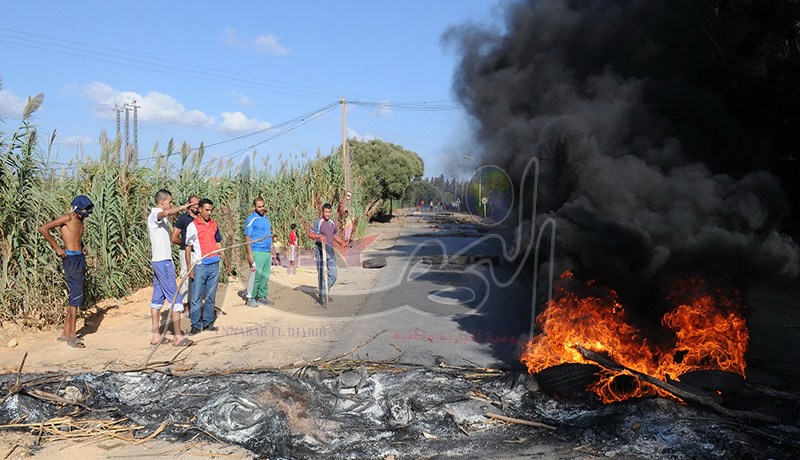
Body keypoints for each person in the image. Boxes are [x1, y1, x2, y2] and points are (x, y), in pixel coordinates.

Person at [38, 195, 94, 348]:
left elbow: (76, 238)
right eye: (85, 208)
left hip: (79, 258)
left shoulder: (81, 221)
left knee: (75, 295)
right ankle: (72, 336)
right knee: (76, 295)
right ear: (78, 207)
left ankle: (65, 333)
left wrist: (82, 247)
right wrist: (57, 248)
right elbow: (43, 228)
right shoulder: (68, 218)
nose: (88, 211)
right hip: (70, 259)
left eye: (89, 208)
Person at [147, 189, 194, 347]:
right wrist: (183, 207)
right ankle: (178, 337)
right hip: (162, 262)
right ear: (162, 202)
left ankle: (155, 336)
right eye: (170, 202)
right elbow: (164, 214)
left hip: (159, 261)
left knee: (157, 299)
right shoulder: (155, 214)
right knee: (176, 298)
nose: (171, 204)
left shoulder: (160, 218)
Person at [185, 198, 230, 332]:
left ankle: (208, 323)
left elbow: (218, 243)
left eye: (211, 210)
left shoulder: (214, 224)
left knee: (210, 296)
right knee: (196, 297)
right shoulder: (192, 226)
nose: (209, 213)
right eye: (207, 210)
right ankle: (195, 325)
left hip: (214, 264)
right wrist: (189, 267)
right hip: (200, 266)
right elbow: (188, 247)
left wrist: (225, 259)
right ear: (199, 209)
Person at [307, 203, 346, 305]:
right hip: (320, 252)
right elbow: (310, 234)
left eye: (329, 212)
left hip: (330, 252)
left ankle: (324, 292)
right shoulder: (318, 223)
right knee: (322, 276)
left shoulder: (332, 223)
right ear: (322, 212)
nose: (327, 214)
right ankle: (323, 298)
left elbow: (334, 235)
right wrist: (319, 236)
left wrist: (341, 242)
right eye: (326, 212)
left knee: (333, 275)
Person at [170, 194, 199, 313]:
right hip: (185, 251)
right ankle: (186, 306)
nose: (196, 206)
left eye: (198, 203)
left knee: (198, 276)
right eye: (194, 204)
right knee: (186, 276)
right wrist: (185, 244)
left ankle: (196, 303)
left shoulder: (200, 218)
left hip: (198, 252)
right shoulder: (183, 219)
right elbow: (174, 237)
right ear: (189, 204)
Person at [243, 197, 273, 308]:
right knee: (255, 275)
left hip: (266, 252)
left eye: (263, 206)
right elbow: (247, 236)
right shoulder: (252, 219)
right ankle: (250, 297)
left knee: (265, 276)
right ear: (254, 207)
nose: (261, 208)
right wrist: (249, 254)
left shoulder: (266, 219)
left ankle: (261, 297)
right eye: (259, 207)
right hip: (256, 251)